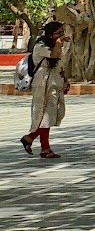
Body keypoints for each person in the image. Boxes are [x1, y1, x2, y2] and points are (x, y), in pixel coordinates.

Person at [21, 21, 70, 160]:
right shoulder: (41, 46)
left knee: (50, 115)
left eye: (62, 32)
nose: (61, 35)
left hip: (54, 81)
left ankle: (30, 139)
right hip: (42, 83)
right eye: (58, 33)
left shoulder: (59, 45)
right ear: (50, 34)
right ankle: (44, 147)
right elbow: (54, 55)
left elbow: (59, 63)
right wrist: (59, 43)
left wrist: (65, 79)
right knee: (43, 115)